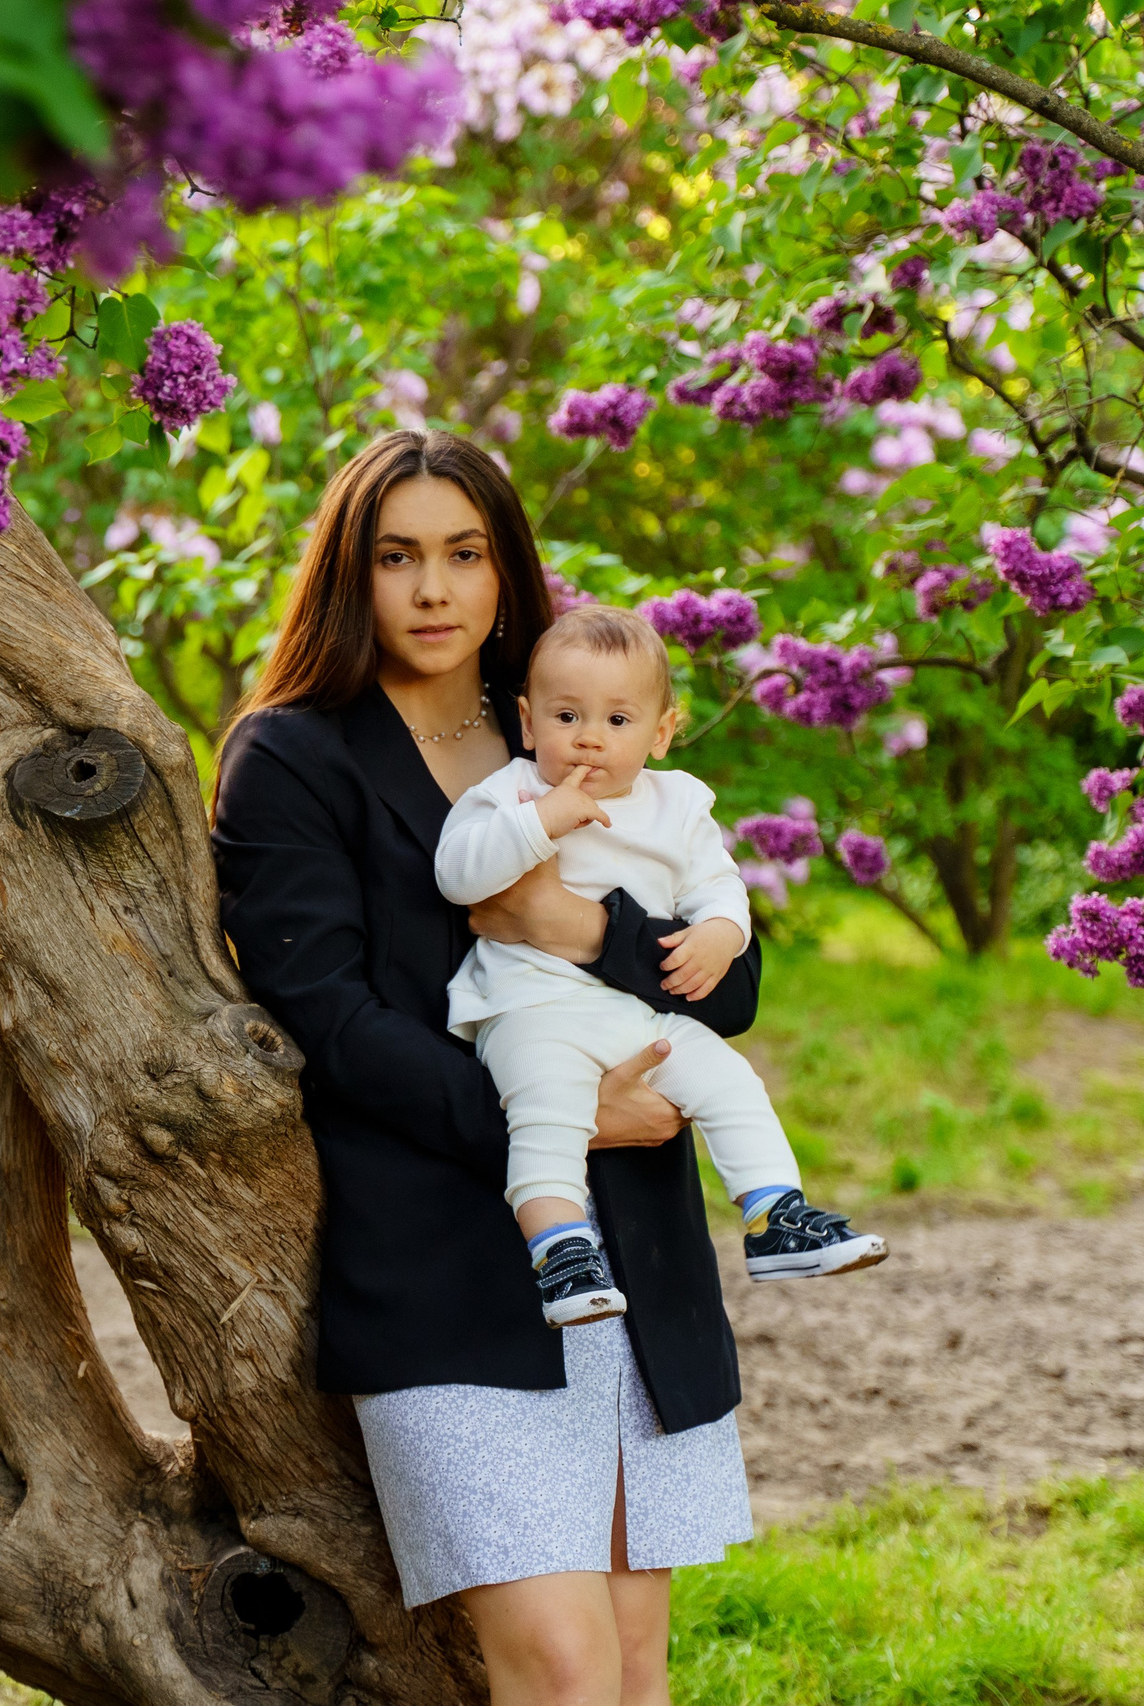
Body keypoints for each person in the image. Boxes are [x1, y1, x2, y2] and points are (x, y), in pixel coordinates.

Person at [212, 429, 758, 1706]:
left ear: (506, 569)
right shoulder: (293, 754)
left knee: (631, 1671)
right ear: (352, 572)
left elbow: (724, 980)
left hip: (634, 1251)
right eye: (397, 556)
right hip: (440, 1259)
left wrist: (579, 927)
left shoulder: (573, 713)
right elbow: (326, 1018)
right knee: (559, 1673)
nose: (433, 589)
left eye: (463, 553)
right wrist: (555, 1123)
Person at [435, 603, 887, 1327]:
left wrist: (718, 931)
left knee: (729, 1079)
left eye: (618, 721)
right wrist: (539, 822)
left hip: (637, 1014)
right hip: (529, 1010)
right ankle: (560, 1250)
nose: (589, 738)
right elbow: (457, 876)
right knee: (547, 1115)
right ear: (527, 722)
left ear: (662, 730)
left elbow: (718, 883)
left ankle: (775, 1214)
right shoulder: (511, 794)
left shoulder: (676, 803)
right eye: (566, 716)